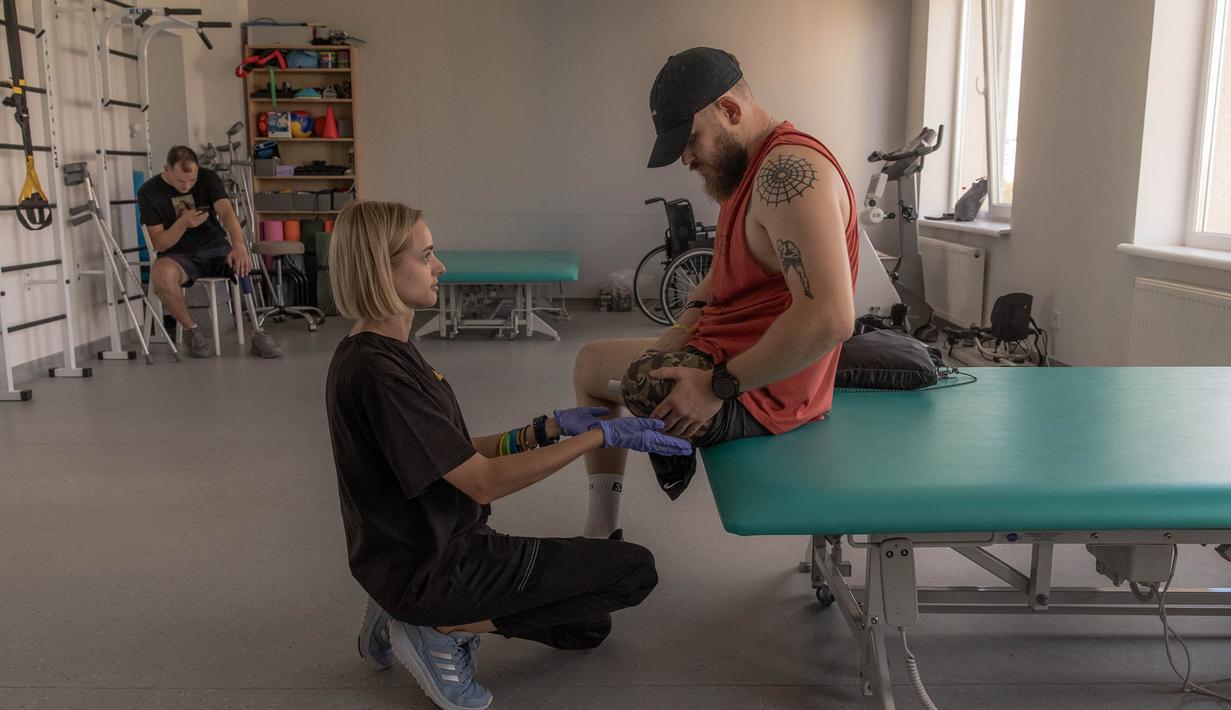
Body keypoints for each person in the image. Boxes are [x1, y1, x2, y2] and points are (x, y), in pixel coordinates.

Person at [324, 200, 692, 710]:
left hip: (425, 549)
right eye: (426, 255)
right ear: (381, 268)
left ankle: (403, 609)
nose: (440, 267)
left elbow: (446, 453)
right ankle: (436, 625)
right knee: (635, 571)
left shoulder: (384, 350)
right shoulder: (378, 372)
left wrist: (544, 429)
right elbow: (482, 483)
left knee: (586, 628)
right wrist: (600, 438)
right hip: (436, 564)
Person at [573, 47, 860, 538]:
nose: (686, 158)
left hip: (760, 387)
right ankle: (601, 533)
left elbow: (830, 317)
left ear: (729, 111)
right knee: (590, 364)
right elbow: (719, 277)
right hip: (722, 349)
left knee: (645, 382)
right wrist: (676, 333)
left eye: (691, 141)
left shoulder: (785, 176)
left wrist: (716, 387)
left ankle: (612, 521)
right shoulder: (746, 174)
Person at [137, 146, 281, 358]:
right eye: (180, 181)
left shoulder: (208, 178)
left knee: (241, 259)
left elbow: (226, 211)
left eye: (191, 181)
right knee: (161, 276)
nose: (186, 186)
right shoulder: (149, 191)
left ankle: (258, 333)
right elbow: (160, 243)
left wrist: (239, 244)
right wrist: (182, 223)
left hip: (215, 247)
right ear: (166, 169)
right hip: (179, 254)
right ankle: (191, 331)